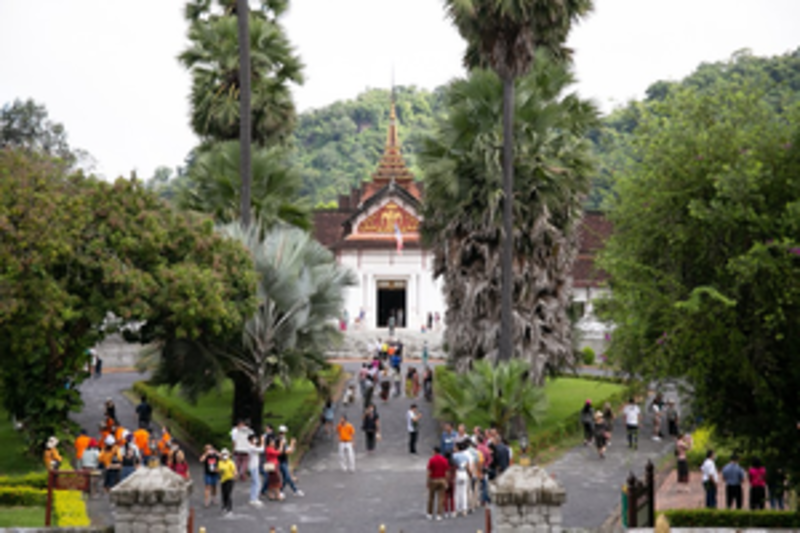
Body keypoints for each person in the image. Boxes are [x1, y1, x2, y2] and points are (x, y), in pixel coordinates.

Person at [276, 426, 304, 497]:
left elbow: (289, 450)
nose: (284, 434)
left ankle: (294, 490)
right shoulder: (280, 440)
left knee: (286, 477)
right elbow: (286, 451)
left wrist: (292, 446)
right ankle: (282, 491)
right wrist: (292, 444)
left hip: (284, 460)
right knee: (287, 477)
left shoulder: (282, 440)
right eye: (283, 433)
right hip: (281, 461)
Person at [426, 446, 449, 521]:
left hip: (433, 479)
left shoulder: (431, 460)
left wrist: (428, 481)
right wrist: (446, 481)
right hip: (442, 479)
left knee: (431, 497)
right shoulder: (444, 460)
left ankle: (430, 513)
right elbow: (447, 472)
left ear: (435, 451)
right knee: (441, 498)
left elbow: (429, 471)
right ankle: (439, 514)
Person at [452, 442, 472, 517]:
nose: (454, 448)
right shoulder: (465, 456)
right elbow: (468, 467)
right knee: (464, 492)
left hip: (457, 473)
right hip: (464, 473)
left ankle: (456, 509)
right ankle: (464, 509)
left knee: (457, 492)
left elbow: (453, 465)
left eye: (455, 447)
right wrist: (470, 474)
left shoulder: (454, 456)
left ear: (458, 448)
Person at [263, 436, 284, 501]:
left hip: (273, 466)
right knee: (276, 481)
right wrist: (281, 445)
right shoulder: (269, 449)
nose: (273, 442)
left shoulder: (271, 448)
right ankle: (277, 495)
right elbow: (279, 452)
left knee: (271, 481)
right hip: (273, 466)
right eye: (272, 442)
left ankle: (271, 495)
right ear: (269, 443)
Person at [245, 434, 263, 506]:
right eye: (254, 439)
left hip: (254, 466)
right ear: (251, 440)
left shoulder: (252, 447)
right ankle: (255, 499)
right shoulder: (251, 447)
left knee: (254, 483)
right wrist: (262, 441)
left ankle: (252, 498)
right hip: (253, 467)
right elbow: (261, 450)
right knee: (257, 483)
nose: (256, 440)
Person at [218, 448, 237, 515]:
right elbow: (219, 470)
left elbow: (234, 470)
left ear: (228, 455)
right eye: (223, 454)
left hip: (230, 479)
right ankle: (224, 506)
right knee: (224, 494)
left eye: (226, 454)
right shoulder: (220, 462)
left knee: (228, 494)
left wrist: (235, 476)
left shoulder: (230, 462)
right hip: (223, 480)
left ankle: (230, 509)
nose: (224, 456)